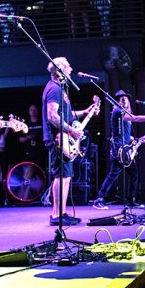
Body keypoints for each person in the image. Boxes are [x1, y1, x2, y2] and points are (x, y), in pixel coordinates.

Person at [42, 56, 100, 226]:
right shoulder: (54, 89)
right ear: (59, 71)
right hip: (58, 139)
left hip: (64, 138)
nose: (71, 69)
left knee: (65, 176)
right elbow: (52, 116)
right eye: (67, 66)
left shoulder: (61, 89)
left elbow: (67, 115)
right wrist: (72, 130)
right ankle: (56, 215)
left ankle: (62, 212)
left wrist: (86, 111)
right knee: (60, 176)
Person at [93, 90, 145, 209]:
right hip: (119, 148)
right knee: (113, 175)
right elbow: (136, 119)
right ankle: (100, 199)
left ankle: (131, 200)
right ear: (116, 101)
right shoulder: (117, 111)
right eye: (121, 98)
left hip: (126, 148)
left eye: (125, 98)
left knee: (133, 174)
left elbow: (127, 135)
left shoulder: (126, 113)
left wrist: (135, 139)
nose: (123, 99)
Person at [19, 104, 46, 170]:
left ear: (38, 111)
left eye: (35, 110)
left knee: (40, 171)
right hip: (29, 152)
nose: (33, 112)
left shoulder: (42, 123)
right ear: (29, 112)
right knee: (29, 171)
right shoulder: (25, 125)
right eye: (31, 110)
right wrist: (28, 137)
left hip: (41, 151)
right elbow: (20, 139)